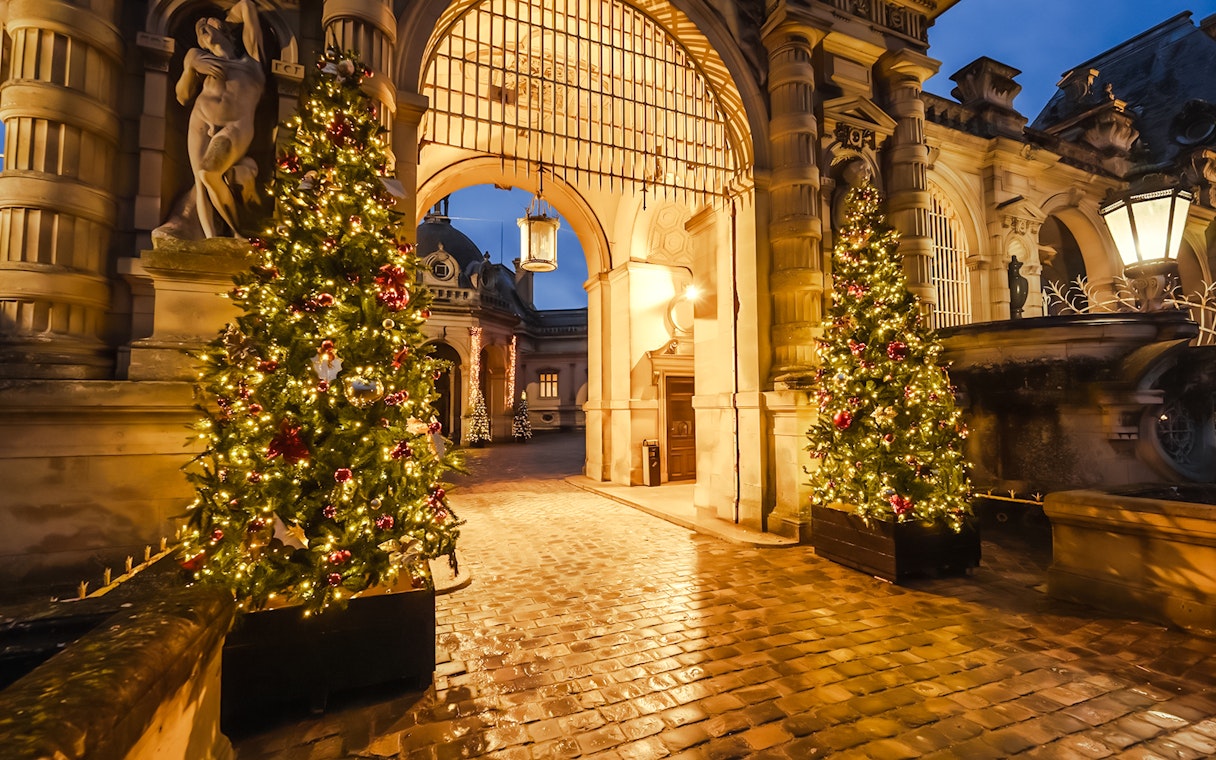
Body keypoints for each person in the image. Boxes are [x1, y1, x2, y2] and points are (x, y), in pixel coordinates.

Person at [175, 0, 264, 239]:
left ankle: (239, 233)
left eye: (208, 27)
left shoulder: (251, 63)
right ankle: (211, 239)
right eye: (200, 33)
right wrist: (190, 68)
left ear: (227, 33)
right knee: (201, 181)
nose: (203, 31)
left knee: (208, 173)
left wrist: (224, 20)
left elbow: (247, 5)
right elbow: (182, 97)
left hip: (236, 127)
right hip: (200, 120)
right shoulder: (198, 58)